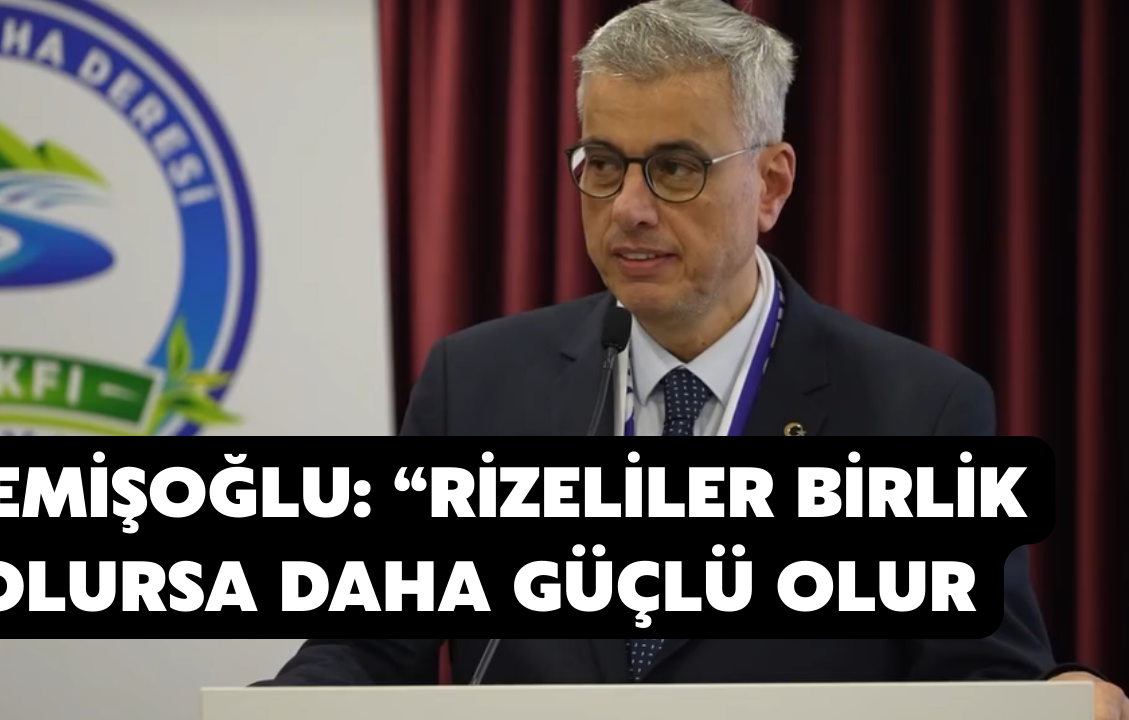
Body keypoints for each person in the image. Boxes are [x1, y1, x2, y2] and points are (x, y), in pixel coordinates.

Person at [259, 0, 1125, 714]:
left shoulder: (920, 412)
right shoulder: (476, 385)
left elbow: (982, 681)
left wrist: (1049, 697)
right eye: (603, 163)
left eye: (675, 169)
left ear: (771, 184)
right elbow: (367, 648)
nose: (628, 207)